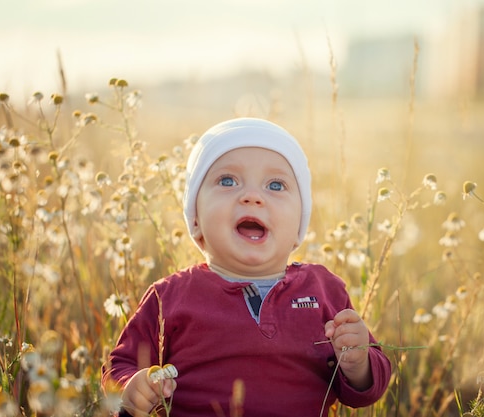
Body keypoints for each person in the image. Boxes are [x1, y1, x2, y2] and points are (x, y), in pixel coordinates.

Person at [102, 118, 392, 416]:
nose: (252, 197)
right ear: (196, 218)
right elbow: (120, 365)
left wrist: (358, 363)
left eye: (275, 185)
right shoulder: (169, 296)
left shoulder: (323, 289)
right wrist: (131, 387)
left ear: (298, 228)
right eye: (227, 181)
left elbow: (366, 390)